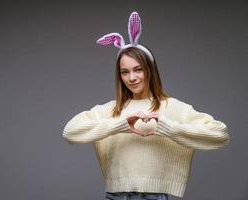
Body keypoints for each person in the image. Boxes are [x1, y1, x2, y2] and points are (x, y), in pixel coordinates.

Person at [62, 11, 229, 200]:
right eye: (124, 72)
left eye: (138, 69)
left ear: (150, 69)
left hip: (154, 196)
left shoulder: (170, 107)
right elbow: (70, 132)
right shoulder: (111, 110)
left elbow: (220, 135)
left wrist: (167, 127)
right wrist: (120, 125)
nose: (131, 78)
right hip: (115, 195)